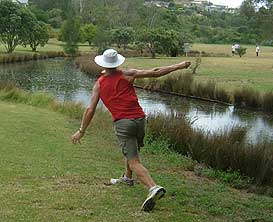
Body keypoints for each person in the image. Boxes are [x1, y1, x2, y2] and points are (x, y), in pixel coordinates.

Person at [71, 49, 191, 212]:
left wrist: (81, 130)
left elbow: (90, 109)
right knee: (132, 151)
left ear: (103, 64)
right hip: (140, 120)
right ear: (117, 63)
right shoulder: (128, 74)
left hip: (123, 123)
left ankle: (153, 187)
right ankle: (127, 178)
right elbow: (155, 72)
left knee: (134, 161)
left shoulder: (99, 84)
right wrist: (180, 65)